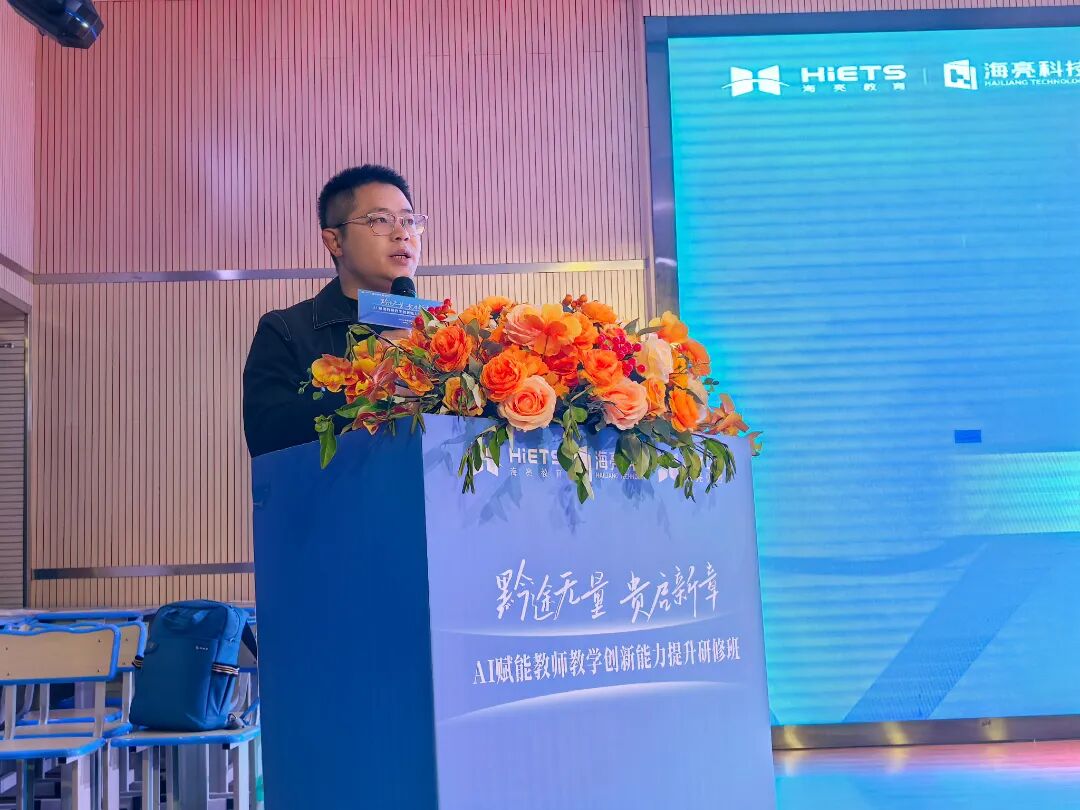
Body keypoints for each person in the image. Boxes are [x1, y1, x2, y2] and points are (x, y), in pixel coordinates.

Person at [242, 164, 427, 457]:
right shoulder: (287, 331)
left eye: (409, 221)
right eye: (380, 220)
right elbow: (267, 436)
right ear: (335, 241)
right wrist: (373, 391)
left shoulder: (443, 334)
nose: (402, 233)